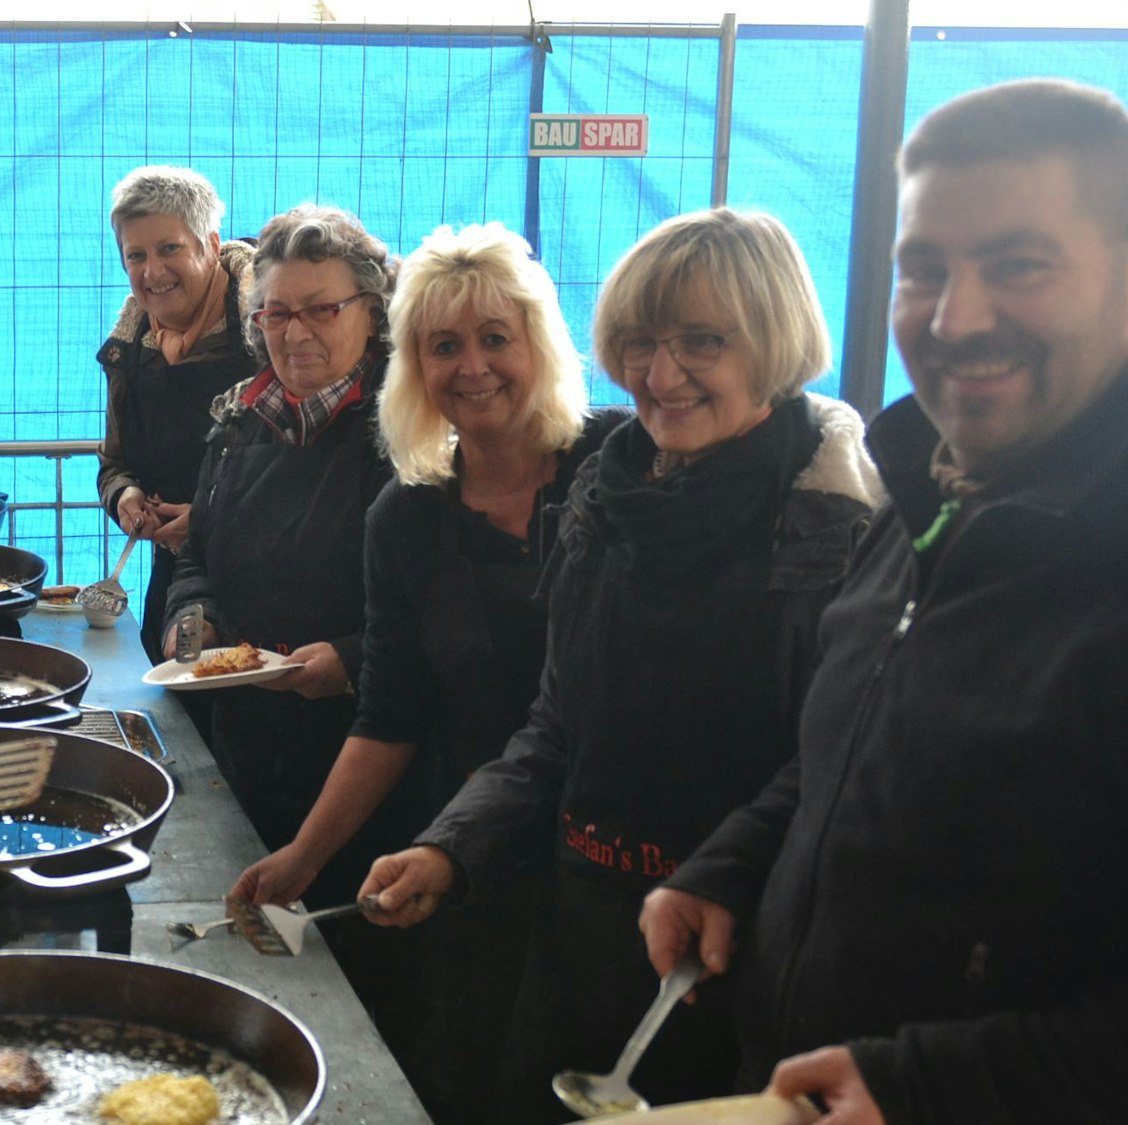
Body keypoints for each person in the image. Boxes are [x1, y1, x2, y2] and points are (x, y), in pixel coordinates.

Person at [641, 79, 1128, 1125]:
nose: (956, 318)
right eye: (923, 269)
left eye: (1018, 265)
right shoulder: (921, 497)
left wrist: (925, 1086)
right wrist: (731, 864)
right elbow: (845, 758)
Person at [360, 208, 883, 1122]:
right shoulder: (608, 492)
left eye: (702, 342)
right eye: (639, 343)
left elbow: (836, 766)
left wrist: (717, 876)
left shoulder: (835, 522)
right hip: (586, 933)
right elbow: (558, 725)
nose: (660, 375)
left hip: (741, 956)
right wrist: (451, 846)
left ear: (774, 341)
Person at [228, 222, 627, 1120]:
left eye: (495, 338)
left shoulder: (618, 461)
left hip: (617, 850)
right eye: (443, 346)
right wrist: (302, 857)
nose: (471, 366)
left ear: (540, 343)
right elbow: (391, 714)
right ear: (413, 364)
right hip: (476, 849)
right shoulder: (406, 516)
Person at [164, 203, 397, 887]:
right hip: (245, 742)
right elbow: (197, 551)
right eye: (276, 313)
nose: (295, 332)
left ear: (371, 311)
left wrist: (349, 660)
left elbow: (434, 613)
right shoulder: (238, 419)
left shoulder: (406, 430)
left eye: (321, 310)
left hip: (363, 760)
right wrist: (193, 614)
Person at [96, 166, 259, 665]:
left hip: (265, 593)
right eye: (136, 256)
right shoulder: (130, 350)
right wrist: (125, 496)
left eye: (170, 249)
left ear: (211, 244)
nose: (152, 272)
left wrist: (208, 522)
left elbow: (303, 481)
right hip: (173, 587)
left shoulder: (267, 336)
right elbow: (114, 463)